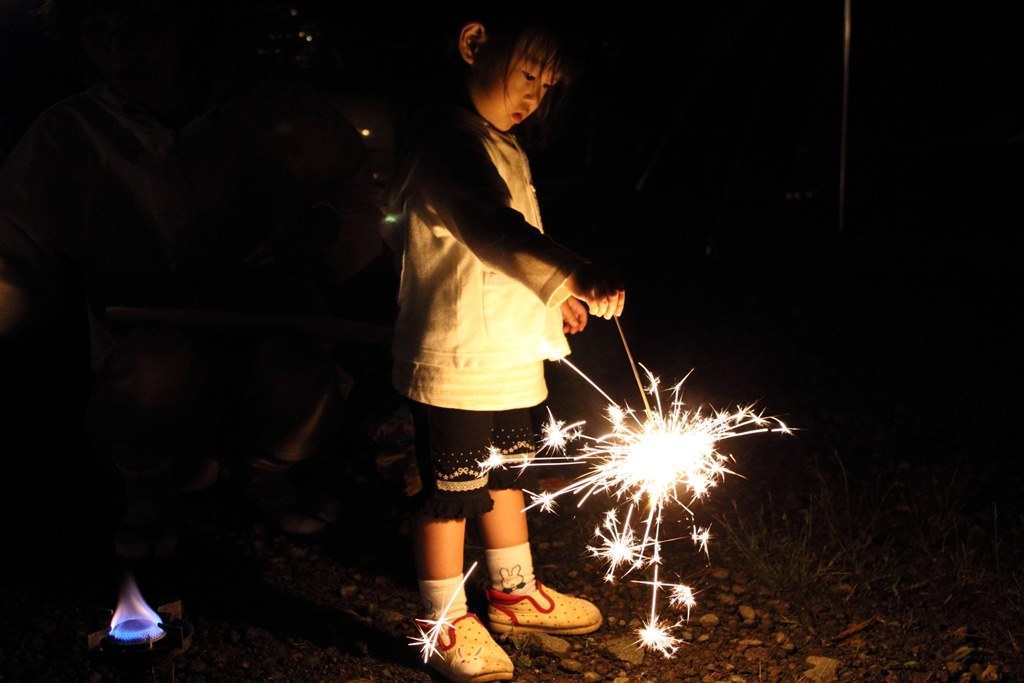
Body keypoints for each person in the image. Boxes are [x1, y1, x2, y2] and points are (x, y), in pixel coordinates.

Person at [0, 0, 388, 560]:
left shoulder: (271, 106)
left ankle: (268, 477)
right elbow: (14, 243)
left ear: (187, 22)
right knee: (154, 372)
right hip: (147, 343)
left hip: (275, 327)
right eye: (97, 34)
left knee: (298, 379)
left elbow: (355, 194)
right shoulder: (70, 134)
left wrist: (325, 227)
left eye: (139, 27)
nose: (118, 51)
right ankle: (149, 489)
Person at [383, 13, 626, 682]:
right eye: (528, 74)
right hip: (457, 360)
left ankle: (514, 592)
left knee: (506, 476)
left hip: (509, 360)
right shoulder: (445, 142)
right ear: (473, 44)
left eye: (547, 86)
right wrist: (572, 270)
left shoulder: (499, 141)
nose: (534, 97)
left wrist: (556, 298)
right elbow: (492, 230)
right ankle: (441, 620)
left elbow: (512, 255)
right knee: (452, 488)